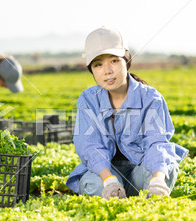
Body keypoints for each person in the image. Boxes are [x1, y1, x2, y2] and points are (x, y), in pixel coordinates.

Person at [66, 27, 188, 199]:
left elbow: (156, 142)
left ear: (127, 60)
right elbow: (89, 145)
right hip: (104, 176)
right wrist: (109, 180)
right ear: (91, 70)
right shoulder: (88, 99)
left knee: (167, 168)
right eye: (98, 64)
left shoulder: (150, 97)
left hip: (139, 177)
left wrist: (157, 179)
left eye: (114, 61)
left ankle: (152, 200)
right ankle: (115, 197)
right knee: (92, 184)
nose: (107, 71)